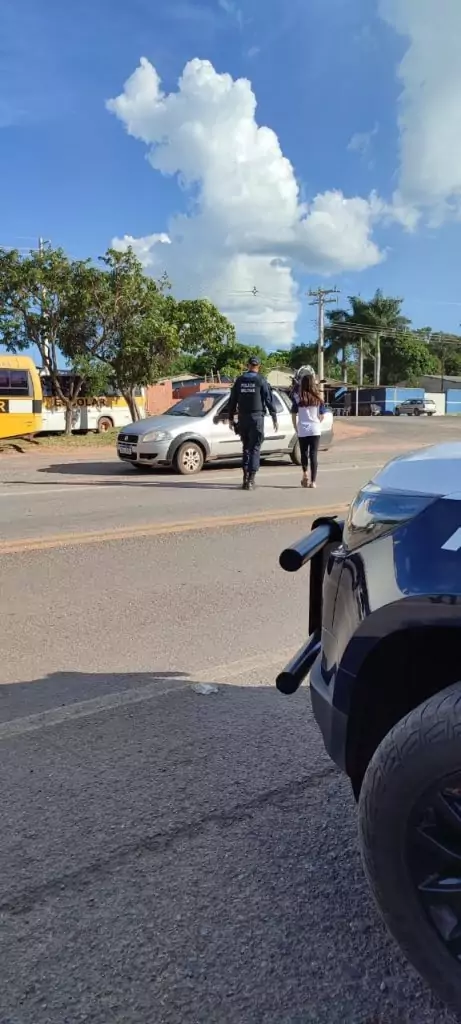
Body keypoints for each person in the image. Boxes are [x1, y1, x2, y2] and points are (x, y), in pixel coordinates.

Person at [227, 356, 278, 490]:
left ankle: (245, 478)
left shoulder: (239, 380)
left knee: (246, 448)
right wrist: (274, 417)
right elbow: (268, 400)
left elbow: (232, 400)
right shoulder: (261, 380)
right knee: (255, 448)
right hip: (256, 419)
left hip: (243, 419)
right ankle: (251, 480)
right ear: (258, 366)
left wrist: (231, 417)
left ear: (248, 365)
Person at [291, 373, 325, 489]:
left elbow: (293, 413)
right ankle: (313, 482)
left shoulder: (298, 398)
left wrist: (295, 426)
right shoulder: (318, 398)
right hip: (315, 429)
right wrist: (316, 422)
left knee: (304, 453)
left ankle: (305, 473)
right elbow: (322, 416)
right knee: (313, 454)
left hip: (303, 429)